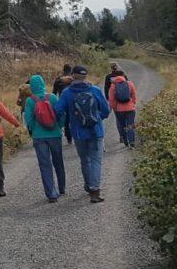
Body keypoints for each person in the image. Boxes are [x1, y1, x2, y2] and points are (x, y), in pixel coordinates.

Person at [54, 65, 111, 203]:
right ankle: (95, 190)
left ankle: (88, 186)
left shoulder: (67, 93)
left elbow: (58, 110)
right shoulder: (95, 90)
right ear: (86, 76)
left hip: (78, 133)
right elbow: (106, 110)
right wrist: (97, 119)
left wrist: (65, 122)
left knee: (85, 160)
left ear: (72, 76)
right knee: (96, 161)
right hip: (96, 131)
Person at [23, 74, 65, 202]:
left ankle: (51, 193)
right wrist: (59, 126)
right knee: (58, 161)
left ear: (31, 87)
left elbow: (28, 120)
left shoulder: (30, 101)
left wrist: (33, 130)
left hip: (39, 136)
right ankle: (62, 187)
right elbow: (61, 113)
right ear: (43, 84)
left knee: (44, 164)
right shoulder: (52, 97)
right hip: (55, 134)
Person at [107, 73, 139, 148]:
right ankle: (132, 142)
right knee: (130, 125)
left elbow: (111, 100)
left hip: (119, 110)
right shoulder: (130, 84)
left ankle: (125, 141)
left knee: (122, 125)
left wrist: (115, 108)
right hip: (130, 109)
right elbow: (134, 95)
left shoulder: (113, 86)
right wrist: (133, 103)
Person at [52, 65, 75, 144]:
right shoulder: (73, 79)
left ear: (63, 70)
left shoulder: (58, 80)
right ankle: (76, 136)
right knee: (74, 119)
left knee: (66, 121)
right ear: (71, 70)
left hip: (63, 102)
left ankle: (69, 139)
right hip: (74, 102)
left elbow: (54, 93)